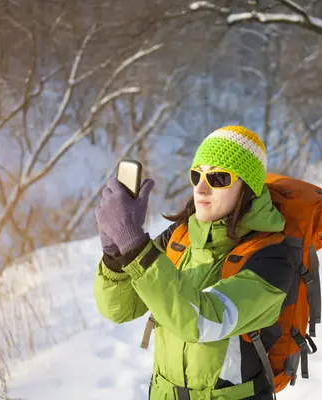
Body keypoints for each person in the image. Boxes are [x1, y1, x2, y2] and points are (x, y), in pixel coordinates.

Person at [93, 126, 297, 399]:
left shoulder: (272, 256)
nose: (201, 187)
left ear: (248, 187)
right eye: (196, 174)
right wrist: (115, 254)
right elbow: (120, 309)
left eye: (218, 177)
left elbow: (200, 321)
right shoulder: (180, 236)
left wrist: (134, 245)